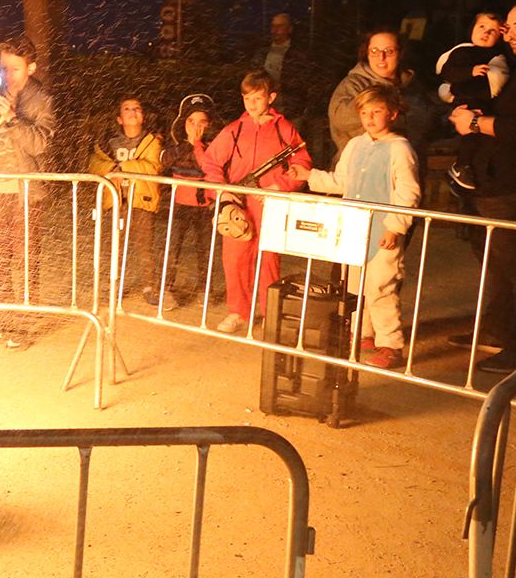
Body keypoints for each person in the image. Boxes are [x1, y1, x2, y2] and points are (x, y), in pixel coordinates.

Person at [289, 84, 420, 369]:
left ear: (393, 113)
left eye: (377, 111)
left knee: (380, 288)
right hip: (354, 230)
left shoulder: (400, 149)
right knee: (357, 286)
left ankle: (391, 344)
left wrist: (395, 227)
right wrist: (308, 175)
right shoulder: (356, 145)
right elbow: (341, 181)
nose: (370, 118)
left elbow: (407, 192)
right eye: (364, 112)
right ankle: (363, 335)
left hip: (383, 233)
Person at [447, 1, 516, 374]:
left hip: (514, 189)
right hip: (495, 185)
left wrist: (476, 124)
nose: (507, 33)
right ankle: (499, 330)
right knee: (498, 265)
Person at [200, 70, 311, 334]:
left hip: (270, 203)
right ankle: (239, 312)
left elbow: (302, 163)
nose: (251, 104)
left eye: (257, 98)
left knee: (269, 259)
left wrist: (280, 186)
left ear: (271, 97)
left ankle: (269, 311)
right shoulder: (235, 129)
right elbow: (211, 162)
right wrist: (223, 193)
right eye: (246, 98)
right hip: (239, 204)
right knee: (235, 259)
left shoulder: (284, 128)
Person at [0, 35, 57, 347]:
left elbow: (40, 143)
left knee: (25, 256)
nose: (8, 75)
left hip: (24, 188)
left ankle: (23, 320)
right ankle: (5, 318)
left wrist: (12, 119)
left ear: (31, 67)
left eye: (15, 69)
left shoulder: (40, 99)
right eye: (4, 67)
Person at [86, 97, 163, 307]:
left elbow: (153, 166)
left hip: (141, 201)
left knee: (144, 246)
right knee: (114, 246)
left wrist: (123, 168)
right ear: (119, 119)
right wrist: (111, 170)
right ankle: (113, 285)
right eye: (127, 109)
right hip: (116, 201)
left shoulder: (151, 141)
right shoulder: (108, 143)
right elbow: (94, 163)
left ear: (143, 115)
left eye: (137, 108)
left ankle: (149, 286)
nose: (132, 112)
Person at [435, 11, 509, 191]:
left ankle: (465, 166)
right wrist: (470, 71)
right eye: (482, 27)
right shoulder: (463, 51)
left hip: (483, 103)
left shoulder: (498, 56)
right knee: (471, 133)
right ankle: (461, 166)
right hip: (467, 101)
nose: (486, 33)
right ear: (472, 29)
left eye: (493, 31)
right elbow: (449, 72)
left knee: (478, 136)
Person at [156, 93, 216, 309]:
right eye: (191, 121)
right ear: (184, 123)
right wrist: (187, 144)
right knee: (172, 247)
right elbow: (164, 160)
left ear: (209, 125)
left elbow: (208, 166)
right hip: (179, 206)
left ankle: (204, 289)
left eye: (202, 122)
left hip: (204, 207)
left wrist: (197, 144)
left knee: (205, 250)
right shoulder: (176, 146)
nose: (196, 127)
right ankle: (165, 289)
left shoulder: (212, 148)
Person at [327, 28, 405, 155]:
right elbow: (339, 118)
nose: (381, 57)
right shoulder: (353, 84)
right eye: (374, 51)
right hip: (359, 168)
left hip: (404, 168)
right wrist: (376, 102)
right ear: (366, 53)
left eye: (389, 51)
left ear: (400, 54)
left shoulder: (412, 87)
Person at [259, 13, 313, 124]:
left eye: (280, 26)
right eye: (273, 26)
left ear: (289, 29)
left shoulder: (298, 53)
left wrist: (283, 85)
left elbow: (304, 80)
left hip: (290, 110)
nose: (275, 30)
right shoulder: (262, 52)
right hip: (266, 110)